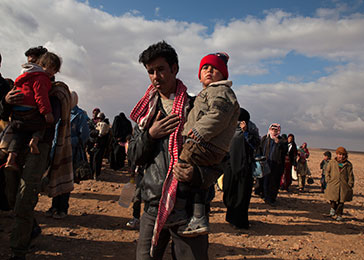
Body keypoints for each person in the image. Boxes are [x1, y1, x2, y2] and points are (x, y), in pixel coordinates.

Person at [128, 41, 223, 260]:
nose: (155, 76)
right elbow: (133, 156)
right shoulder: (145, 114)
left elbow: (219, 159)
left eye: (160, 69)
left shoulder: (197, 108)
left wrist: (196, 175)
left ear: (175, 68)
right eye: (150, 72)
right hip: (153, 205)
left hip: (189, 208)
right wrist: (150, 135)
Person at [1, 79, 72, 260]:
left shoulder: (54, 94)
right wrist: (6, 101)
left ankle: (19, 250)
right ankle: (31, 229)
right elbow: (5, 115)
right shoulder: (16, 89)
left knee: (25, 198)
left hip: (39, 149)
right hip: (14, 147)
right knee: (12, 197)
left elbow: (50, 120)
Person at [177, 52, 240, 236]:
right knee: (198, 180)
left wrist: (196, 132)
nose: (209, 71)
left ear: (224, 74)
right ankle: (198, 217)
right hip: (207, 144)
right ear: (199, 74)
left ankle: (181, 214)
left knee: (181, 170)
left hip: (204, 143)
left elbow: (218, 115)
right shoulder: (208, 92)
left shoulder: (221, 91)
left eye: (216, 68)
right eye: (205, 67)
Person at [0, 52, 61, 170]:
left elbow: (53, 119)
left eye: (34, 61)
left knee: (28, 181)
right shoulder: (34, 81)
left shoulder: (55, 91)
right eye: (29, 62)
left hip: (37, 146)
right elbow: (4, 114)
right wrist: (6, 101)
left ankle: (12, 158)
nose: (31, 65)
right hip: (23, 129)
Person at [45, 91, 90, 219]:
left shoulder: (79, 115)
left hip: (70, 152)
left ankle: (62, 209)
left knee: (65, 180)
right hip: (57, 151)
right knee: (56, 178)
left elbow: (84, 136)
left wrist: (68, 141)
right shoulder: (60, 113)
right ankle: (54, 206)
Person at [223, 108, 260, 229]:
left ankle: (240, 222)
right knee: (229, 190)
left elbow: (255, 145)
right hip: (230, 165)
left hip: (244, 166)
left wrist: (246, 133)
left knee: (242, 195)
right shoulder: (229, 128)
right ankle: (230, 217)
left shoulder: (251, 129)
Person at [258, 123, 288, 206]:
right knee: (264, 181)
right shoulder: (265, 139)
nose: (274, 132)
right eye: (273, 130)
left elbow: (285, 151)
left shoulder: (282, 140)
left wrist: (279, 143)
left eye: (276, 130)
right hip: (265, 164)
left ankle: (271, 199)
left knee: (273, 183)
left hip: (276, 166)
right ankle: (264, 195)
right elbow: (260, 149)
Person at [324, 147, 354, 221]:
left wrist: (350, 184)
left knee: (341, 201)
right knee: (332, 199)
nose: (341, 156)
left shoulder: (348, 164)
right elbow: (327, 171)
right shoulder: (332, 162)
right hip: (333, 184)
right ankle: (333, 209)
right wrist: (328, 179)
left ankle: (339, 215)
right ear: (337, 154)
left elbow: (350, 175)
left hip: (343, 186)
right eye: (339, 154)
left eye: (343, 155)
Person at [90, 112, 110, 180]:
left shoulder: (102, 124)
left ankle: (95, 174)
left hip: (99, 144)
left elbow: (100, 135)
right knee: (98, 160)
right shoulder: (106, 124)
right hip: (103, 145)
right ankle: (96, 174)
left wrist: (96, 141)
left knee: (96, 160)